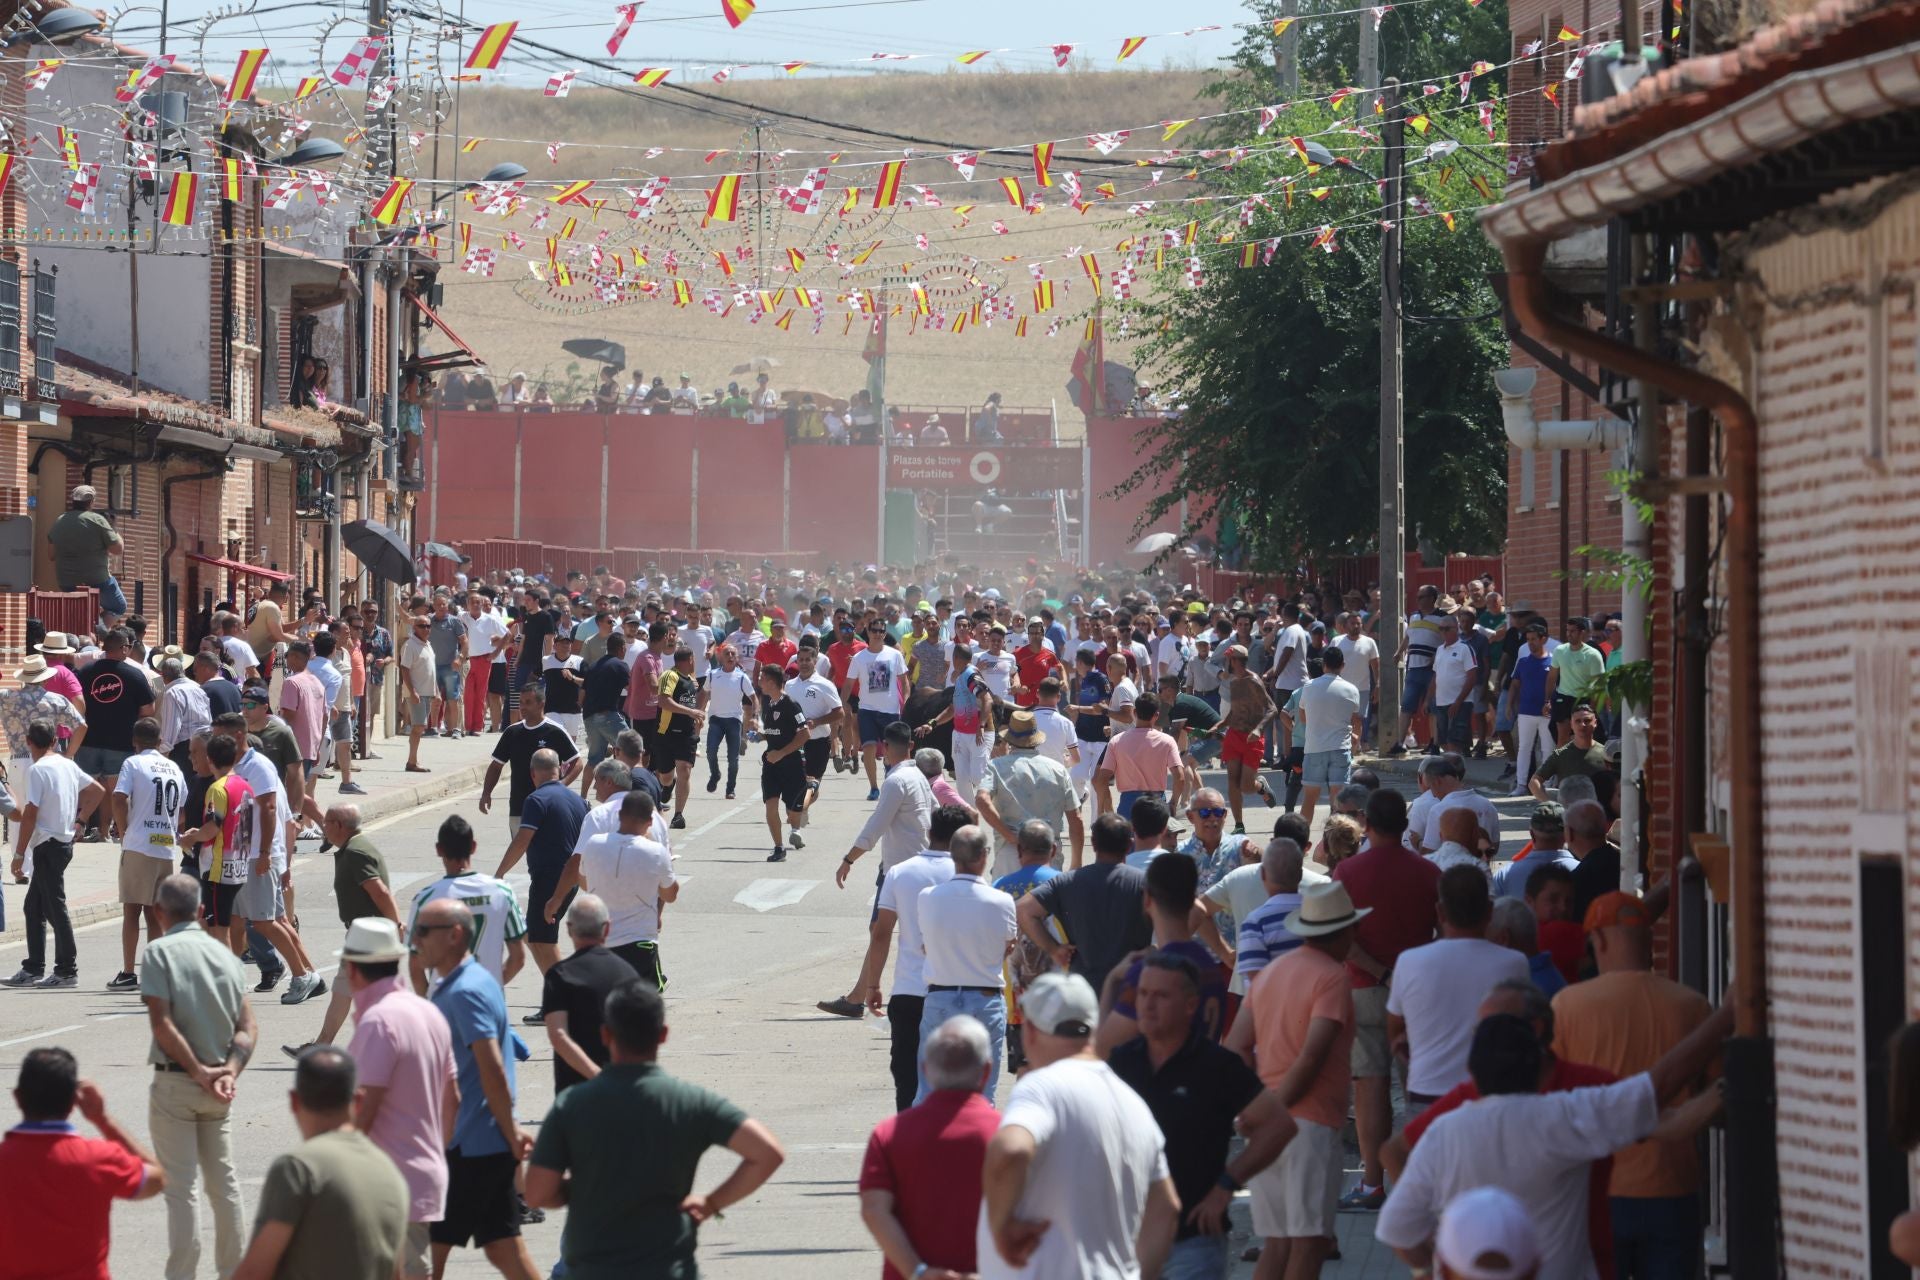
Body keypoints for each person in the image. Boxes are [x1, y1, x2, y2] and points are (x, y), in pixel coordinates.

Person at [1376, 1004, 1733, 1279]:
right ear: (1537, 1068)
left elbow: (1397, 1227)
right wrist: (1728, 1018)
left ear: (1472, 1073)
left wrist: (1435, 1267)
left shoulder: (1444, 1132)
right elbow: (1656, 1088)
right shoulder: (1562, 1116)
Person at [526, 980, 787, 1276]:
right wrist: (711, 1203)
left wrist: (576, 1188)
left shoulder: (572, 1105)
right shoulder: (691, 1102)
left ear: (605, 1034)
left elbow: (537, 1194)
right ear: (662, 1035)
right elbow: (768, 1153)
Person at [1383, 981, 1615, 1278]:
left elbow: (1659, 1116)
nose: (1481, 1037)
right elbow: (1394, 1152)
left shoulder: (1588, 1090)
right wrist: (1427, 1256)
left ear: (1534, 1029)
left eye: (1490, 1026)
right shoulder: (1469, 1099)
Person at [1552, 892, 1714, 1277]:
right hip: (1673, 1187)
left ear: (1600, 941)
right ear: (1647, 940)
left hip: (1595, 1189)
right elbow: (1718, 1094)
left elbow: (1552, 1096)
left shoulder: (1567, 1006)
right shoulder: (1692, 1006)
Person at [977, 972, 1180, 1278]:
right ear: (1093, 1031)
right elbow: (1167, 1209)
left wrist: (1000, 1228)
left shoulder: (1041, 1087)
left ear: (1030, 1031)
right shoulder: (1133, 1104)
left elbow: (1010, 1151)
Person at [1110, 954, 1297, 1280]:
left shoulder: (1216, 1066)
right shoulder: (1121, 1063)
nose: (1148, 1004)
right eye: (1142, 994)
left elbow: (1279, 1125)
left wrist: (1228, 1184)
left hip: (1193, 1241)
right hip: (1125, 1240)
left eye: (1161, 995)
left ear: (1190, 1005)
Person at [1224, 881, 1366, 1280]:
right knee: (1309, 1244)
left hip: (1271, 1126)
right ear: (1342, 933)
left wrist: (1258, 1108)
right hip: (1310, 1124)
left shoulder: (1270, 974)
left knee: (1278, 1244)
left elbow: (1235, 1047)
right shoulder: (1333, 978)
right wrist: (1275, 1110)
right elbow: (1312, 1056)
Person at [412, 899, 541, 1280]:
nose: (414, 940)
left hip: (468, 1145)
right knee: (505, 1250)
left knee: (421, 1255)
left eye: (423, 932)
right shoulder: (475, 980)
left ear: (453, 936)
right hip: (483, 1143)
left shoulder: (464, 992)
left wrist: (511, 1132)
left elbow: (492, 1068)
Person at [140, 873, 258, 1280]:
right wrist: (228, 1070)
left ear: (158, 912)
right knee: (223, 1185)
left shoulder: (158, 953)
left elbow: (162, 1024)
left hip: (178, 1082)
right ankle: (233, 1271)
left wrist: (198, 1072)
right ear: (202, 911)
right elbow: (247, 1026)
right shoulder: (226, 955)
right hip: (219, 1088)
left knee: (181, 1189)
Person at [1329, 787, 1441, 1208]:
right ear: (1406, 824)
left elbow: (1342, 937)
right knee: (1418, 1088)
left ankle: (1373, 1184)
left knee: (1370, 1088)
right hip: (1417, 994)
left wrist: (1379, 972)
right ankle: (1422, 1183)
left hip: (1365, 989)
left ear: (1367, 826)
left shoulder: (1349, 873)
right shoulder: (1428, 873)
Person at [229, 1046, 409, 1280]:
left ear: (294, 1101)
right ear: (358, 1101)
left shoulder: (298, 1168)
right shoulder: (390, 1171)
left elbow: (255, 1272)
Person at [341, 917, 457, 1280]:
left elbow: (366, 1106)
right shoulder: (427, 1011)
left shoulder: (379, 1021)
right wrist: (434, 1151)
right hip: (423, 1175)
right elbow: (451, 1095)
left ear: (354, 970)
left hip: (386, 1186)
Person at [0, 1048, 164, 1274]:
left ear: (17, 1097)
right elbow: (157, 1179)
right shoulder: (98, 1158)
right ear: (73, 1102)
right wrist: (103, 1120)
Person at [860, 1016, 1000, 1280]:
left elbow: (874, 1209)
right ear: (986, 1072)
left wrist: (917, 1271)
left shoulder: (889, 1134)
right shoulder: (1007, 1135)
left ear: (925, 1069)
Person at [1386, 865, 1532, 1112]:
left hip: (1428, 1093)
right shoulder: (1514, 963)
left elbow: (1395, 1030)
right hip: (1490, 1095)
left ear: (1440, 913)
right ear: (1489, 912)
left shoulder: (1409, 962)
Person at [859, 804, 970, 1110]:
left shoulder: (900, 872)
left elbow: (880, 933)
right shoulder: (966, 874)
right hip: (953, 991)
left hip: (908, 990)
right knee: (952, 1079)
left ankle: (909, 1143)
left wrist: (873, 985)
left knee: (907, 1078)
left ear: (929, 832)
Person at [913, 825, 1017, 1104]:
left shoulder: (928, 897)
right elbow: (1009, 945)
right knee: (983, 1094)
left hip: (940, 996)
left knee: (928, 1091)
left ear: (952, 856)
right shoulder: (1002, 900)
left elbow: (926, 942)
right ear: (984, 856)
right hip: (984, 998)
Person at [1095, 854, 1232, 1055]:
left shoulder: (1149, 973)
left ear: (1147, 899)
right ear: (1192, 899)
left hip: (1158, 1084)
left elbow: (1102, 1049)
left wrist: (1111, 981)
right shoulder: (1209, 965)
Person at [6, 720, 106, 987]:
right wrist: (81, 820)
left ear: (29, 742)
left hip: (48, 844)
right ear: (54, 741)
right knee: (34, 906)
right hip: (61, 843)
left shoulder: (37, 770)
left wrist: (18, 854)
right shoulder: (67, 764)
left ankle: (66, 970)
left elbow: (30, 813)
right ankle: (34, 967)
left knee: (55, 907)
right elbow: (98, 790)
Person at [1016, 812, 1152, 994]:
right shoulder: (1145, 883)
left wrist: (1054, 949)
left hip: (1083, 991)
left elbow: (1024, 910)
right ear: (1130, 844)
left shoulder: (1067, 882)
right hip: (1132, 988)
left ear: (1094, 844)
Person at [562, 789, 678, 988]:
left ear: (620, 816)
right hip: (641, 941)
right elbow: (670, 894)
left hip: (601, 940)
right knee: (639, 1006)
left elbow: (583, 882)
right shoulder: (656, 852)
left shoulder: (593, 844)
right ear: (650, 821)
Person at [494, 749, 589, 989]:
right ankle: (559, 993)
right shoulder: (579, 801)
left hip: (549, 879)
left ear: (532, 773)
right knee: (537, 936)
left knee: (542, 940)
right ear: (561, 770)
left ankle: (564, 997)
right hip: (571, 879)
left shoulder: (536, 800)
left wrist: (500, 873)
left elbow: (522, 839)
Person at [406, 814, 527, 995]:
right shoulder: (501, 892)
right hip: (487, 1003)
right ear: (473, 847)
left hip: (443, 1004)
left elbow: (415, 965)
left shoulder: (425, 899)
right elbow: (517, 958)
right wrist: (491, 987)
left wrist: (430, 1006)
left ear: (439, 850)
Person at [108, 716, 186, 990]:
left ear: (135, 741)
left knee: (132, 910)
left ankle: (129, 972)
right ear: (159, 740)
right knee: (155, 913)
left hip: (139, 843)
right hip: (164, 846)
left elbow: (118, 797)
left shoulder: (133, 763)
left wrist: (123, 829)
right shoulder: (173, 767)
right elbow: (183, 809)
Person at [538, 894, 634, 1090]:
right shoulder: (628, 974)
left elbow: (558, 1035)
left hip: (574, 1095)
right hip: (620, 1090)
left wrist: (596, 1075)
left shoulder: (559, 975)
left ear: (569, 929)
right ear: (607, 928)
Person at [975, 709, 1083, 876]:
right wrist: (1076, 862)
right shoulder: (1058, 769)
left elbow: (982, 799)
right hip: (1048, 851)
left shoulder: (996, 766)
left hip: (1010, 851)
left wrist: (1009, 836)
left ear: (1009, 739)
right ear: (1036, 739)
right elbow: (1075, 818)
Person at [1279, 642, 1361, 824]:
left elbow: (1303, 717)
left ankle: (1302, 838)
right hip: (1340, 748)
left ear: (1324, 664)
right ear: (1343, 665)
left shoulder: (1308, 687)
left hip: (1314, 748)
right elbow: (1355, 721)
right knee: (1338, 800)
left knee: (1309, 799)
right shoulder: (1352, 690)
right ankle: (1335, 840)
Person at [755, 663, 813, 863]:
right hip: (771, 765)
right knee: (770, 805)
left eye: (762, 678)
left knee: (792, 812)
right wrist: (761, 736)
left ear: (771, 682)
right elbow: (775, 732)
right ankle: (779, 848)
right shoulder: (767, 703)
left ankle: (809, 790)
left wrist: (781, 753)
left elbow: (805, 733)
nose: (759, 682)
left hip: (791, 765)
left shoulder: (791, 704)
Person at [847, 621, 911, 799]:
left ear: (884, 634)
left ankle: (890, 777)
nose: (877, 634)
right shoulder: (859, 658)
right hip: (867, 709)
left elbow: (904, 680)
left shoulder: (895, 655)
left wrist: (906, 699)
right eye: (873, 630)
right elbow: (849, 684)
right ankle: (874, 787)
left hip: (890, 710)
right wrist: (843, 704)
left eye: (881, 631)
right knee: (868, 747)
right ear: (867, 631)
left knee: (891, 749)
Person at [1095, 691, 1182, 820]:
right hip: (1157, 803)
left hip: (1128, 805)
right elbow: (1179, 776)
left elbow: (1101, 780)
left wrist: (1104, 811)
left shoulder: (1116, 741)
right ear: (1156, 715)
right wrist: (1173, 802)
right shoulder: (1167, 741)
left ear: (1134, 712)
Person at [48, 484, 128, 623]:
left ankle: (87, 632)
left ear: (73, 501)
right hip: (97, 580)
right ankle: (96, 632)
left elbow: (51, 555)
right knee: (118, 607)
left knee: (77, 615)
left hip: (66, 582)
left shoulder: (59, 521)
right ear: (91, 502)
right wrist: (113, 528)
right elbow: (117, 549)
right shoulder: (97, 520)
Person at [703, 643, 755, 799]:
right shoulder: (712, 675)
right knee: (711, 751)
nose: (730, 656)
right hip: (716, 720)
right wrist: (698, 713)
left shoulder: (742, 677)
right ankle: (715, 774)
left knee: (733, 758)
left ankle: (730, 788)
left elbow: (753, 697)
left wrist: (754, 716)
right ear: (720, 657)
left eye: (733, 654)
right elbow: (705, 694)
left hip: (734, 720)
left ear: (737, 657)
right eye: (727, 654)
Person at [1530, 702, 1611, 800]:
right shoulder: (1561, 754)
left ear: (1595, 723)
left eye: (1587, 720)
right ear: (1571, 725)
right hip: (1570, 812)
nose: (1582, 724)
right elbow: (1534, 782)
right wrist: (1550, 805)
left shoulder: (1606, 753)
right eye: (1578, 721)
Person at [1545, 618, 1607, 744]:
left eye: (1573, 631)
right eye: (1567, 630)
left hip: (1583, 700)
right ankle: (1561, 763)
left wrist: (1593, 707)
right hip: (1563, 698)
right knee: (1561, 737)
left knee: (1585, 738)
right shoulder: (1560, 651)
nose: (1569, 634)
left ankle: (1584, 763)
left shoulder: (1593, 654)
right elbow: (1552, 677)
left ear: (1582, 632)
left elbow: (1599, 683)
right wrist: (1547, 700)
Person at [400, 614, 435, 772]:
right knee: (417, 727)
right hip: (417, 693)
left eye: (428, 626)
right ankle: (412, 761)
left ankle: (412, 760)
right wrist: (413, 691)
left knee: (420, 728)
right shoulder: (410, 645)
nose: (426, 629)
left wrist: (437, 692)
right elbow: (405, 669)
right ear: (415, 627)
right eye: (422, 626)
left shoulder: (427, 644)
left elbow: (431, 670)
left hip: (427, 692)